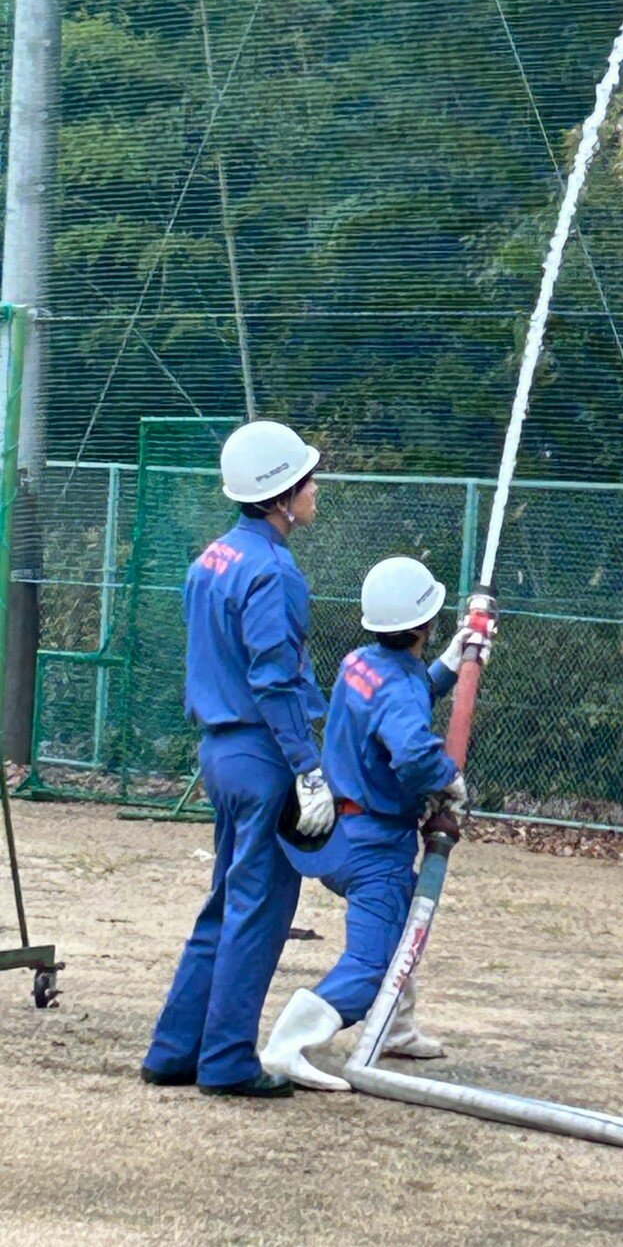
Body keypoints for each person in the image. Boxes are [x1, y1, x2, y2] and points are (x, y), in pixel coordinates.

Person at [141, 420, 335, 1099]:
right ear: (280, 496)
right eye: (307, 479)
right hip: (263, 752)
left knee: (224, 903)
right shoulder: (274, 571)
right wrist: (308, 766)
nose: (315, 488)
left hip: (218, 751)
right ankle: (226, 1061)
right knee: (260, 910)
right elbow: (275, 681)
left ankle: (174, 1050)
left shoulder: (212, 558)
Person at [259, 555, 493, 1091]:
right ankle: (286, 1046)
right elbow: (411, 747)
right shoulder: (399, 689)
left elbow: (401, 695)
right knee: (371, 962)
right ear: (425, 622)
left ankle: (395, 1026)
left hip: (338, 828)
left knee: (405, 920)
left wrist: (450, 662)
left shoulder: (359, 662)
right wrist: (449, 780)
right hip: (374, 845)